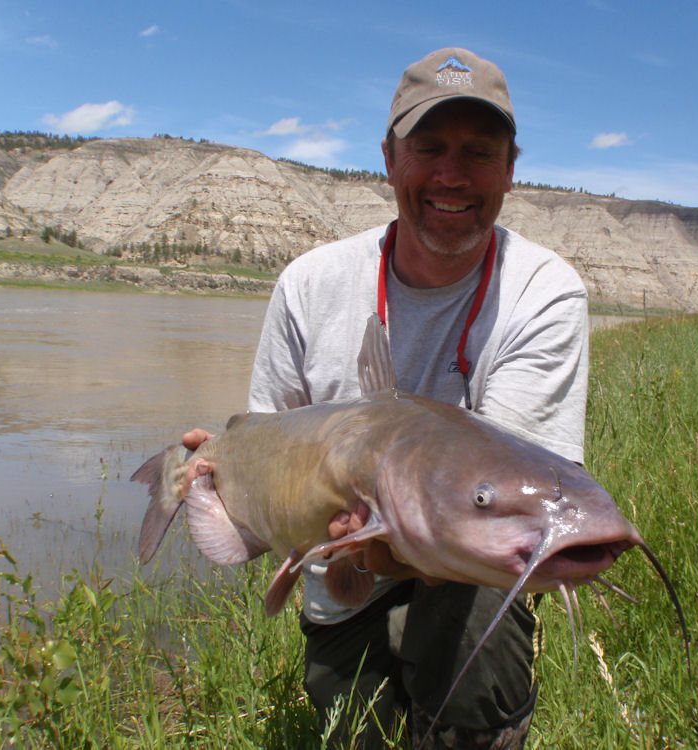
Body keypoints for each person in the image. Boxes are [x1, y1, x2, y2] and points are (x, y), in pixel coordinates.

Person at [188, 47, 589, 749]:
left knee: (478, 625)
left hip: (468, 559)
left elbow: (514, 512)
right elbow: (265, 441)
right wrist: (221, 486)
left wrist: (386, 540)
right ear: (387, 157)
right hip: (339, 569)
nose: (451, 174)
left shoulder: (544, 291)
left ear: (511, 167)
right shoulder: (311, 283)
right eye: (428, 147)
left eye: (478, 151)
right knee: (353, 732)